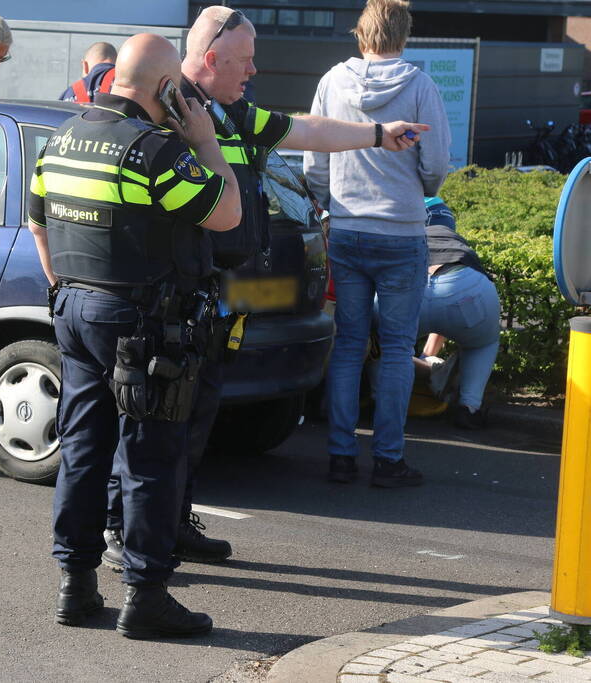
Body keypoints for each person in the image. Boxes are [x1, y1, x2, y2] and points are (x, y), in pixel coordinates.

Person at [102, 5, 432, 569]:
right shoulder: (171, 108)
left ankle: (174, 521)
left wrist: (379, 134)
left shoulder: (232, 111)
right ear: (211, 59)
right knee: (152, 422)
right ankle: (121, 532)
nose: (254, 71)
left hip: (217, 293)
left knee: (196, 413)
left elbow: (304, 129)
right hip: (173, 290)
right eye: (246, 61)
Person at [28, 33, 242, 639]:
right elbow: (226, 214)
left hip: (74, 310)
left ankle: (75, 586)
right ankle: (145, 598)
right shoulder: (154, 150)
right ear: (169, 89)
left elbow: (37, 222)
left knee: (83, 449)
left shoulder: (64, 136)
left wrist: (70, 289)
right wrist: (205, 141)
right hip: (143, 325)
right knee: (149, 459)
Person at [304, 0, 451, 487]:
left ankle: (340, 456)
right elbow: (435, 165)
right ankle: (388, 461)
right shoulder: (420, 85)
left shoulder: (331, 81)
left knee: (347, 344)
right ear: (404, 35)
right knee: (394, 348)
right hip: (401, 232)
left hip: (346, 228)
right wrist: (421, 187)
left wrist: (327, 204)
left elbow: (315, 160)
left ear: (360, 33)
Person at [414, 197, 500, 430]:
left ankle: (382, 397)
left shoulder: (403, 231)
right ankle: (469, 407)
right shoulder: (455, 239)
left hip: (414, 288)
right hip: (466, 285)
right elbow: (444, 305)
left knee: (385, 341)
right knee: (483, 343)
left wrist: (423, 358)